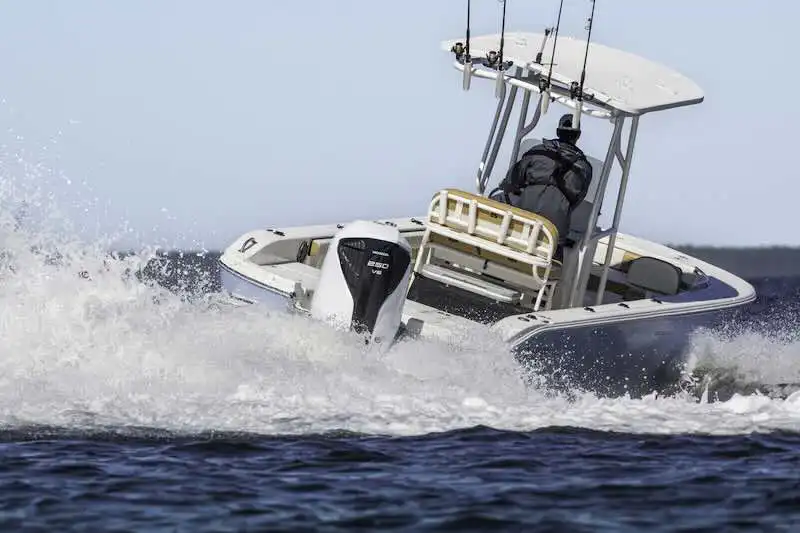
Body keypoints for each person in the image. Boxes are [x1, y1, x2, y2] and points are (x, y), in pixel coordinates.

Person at [490, 113, 593, 251]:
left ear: (557, 131)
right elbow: (577, 200)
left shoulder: (538, 151)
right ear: (578, 136)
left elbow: (512, 180)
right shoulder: (585, 168)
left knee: (495, 199)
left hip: (522, 217)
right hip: (554, 231)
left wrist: (511, 187)